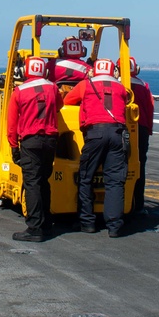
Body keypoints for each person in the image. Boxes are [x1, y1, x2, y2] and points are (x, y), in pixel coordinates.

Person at [63, 58, 129, 237]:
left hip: (95, 134)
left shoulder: (86, 84)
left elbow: (68, 99)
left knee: (85, 177)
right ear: (113, 71)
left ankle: (87, 222)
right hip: (117, 133)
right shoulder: (120, 87)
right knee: (115, 181)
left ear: (94, 71)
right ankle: (114, 226)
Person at [7, 56, 62, 242]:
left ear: (25, 72)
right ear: (44, 71)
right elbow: (60, 105)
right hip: (50, 140)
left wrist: (13, 146)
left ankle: (34, 227)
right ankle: (46, 223)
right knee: (44, 181)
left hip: (31, 140)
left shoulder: (19, 91)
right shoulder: (52, 87)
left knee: (32, 183)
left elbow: (12, 123)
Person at [119, 57, 153, 214]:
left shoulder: (115, 84)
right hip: (142, 128)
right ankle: (138, 204)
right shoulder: (144, 85)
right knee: (140, 166)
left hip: (120, 128)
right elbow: (149, 108)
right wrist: (149, 129)